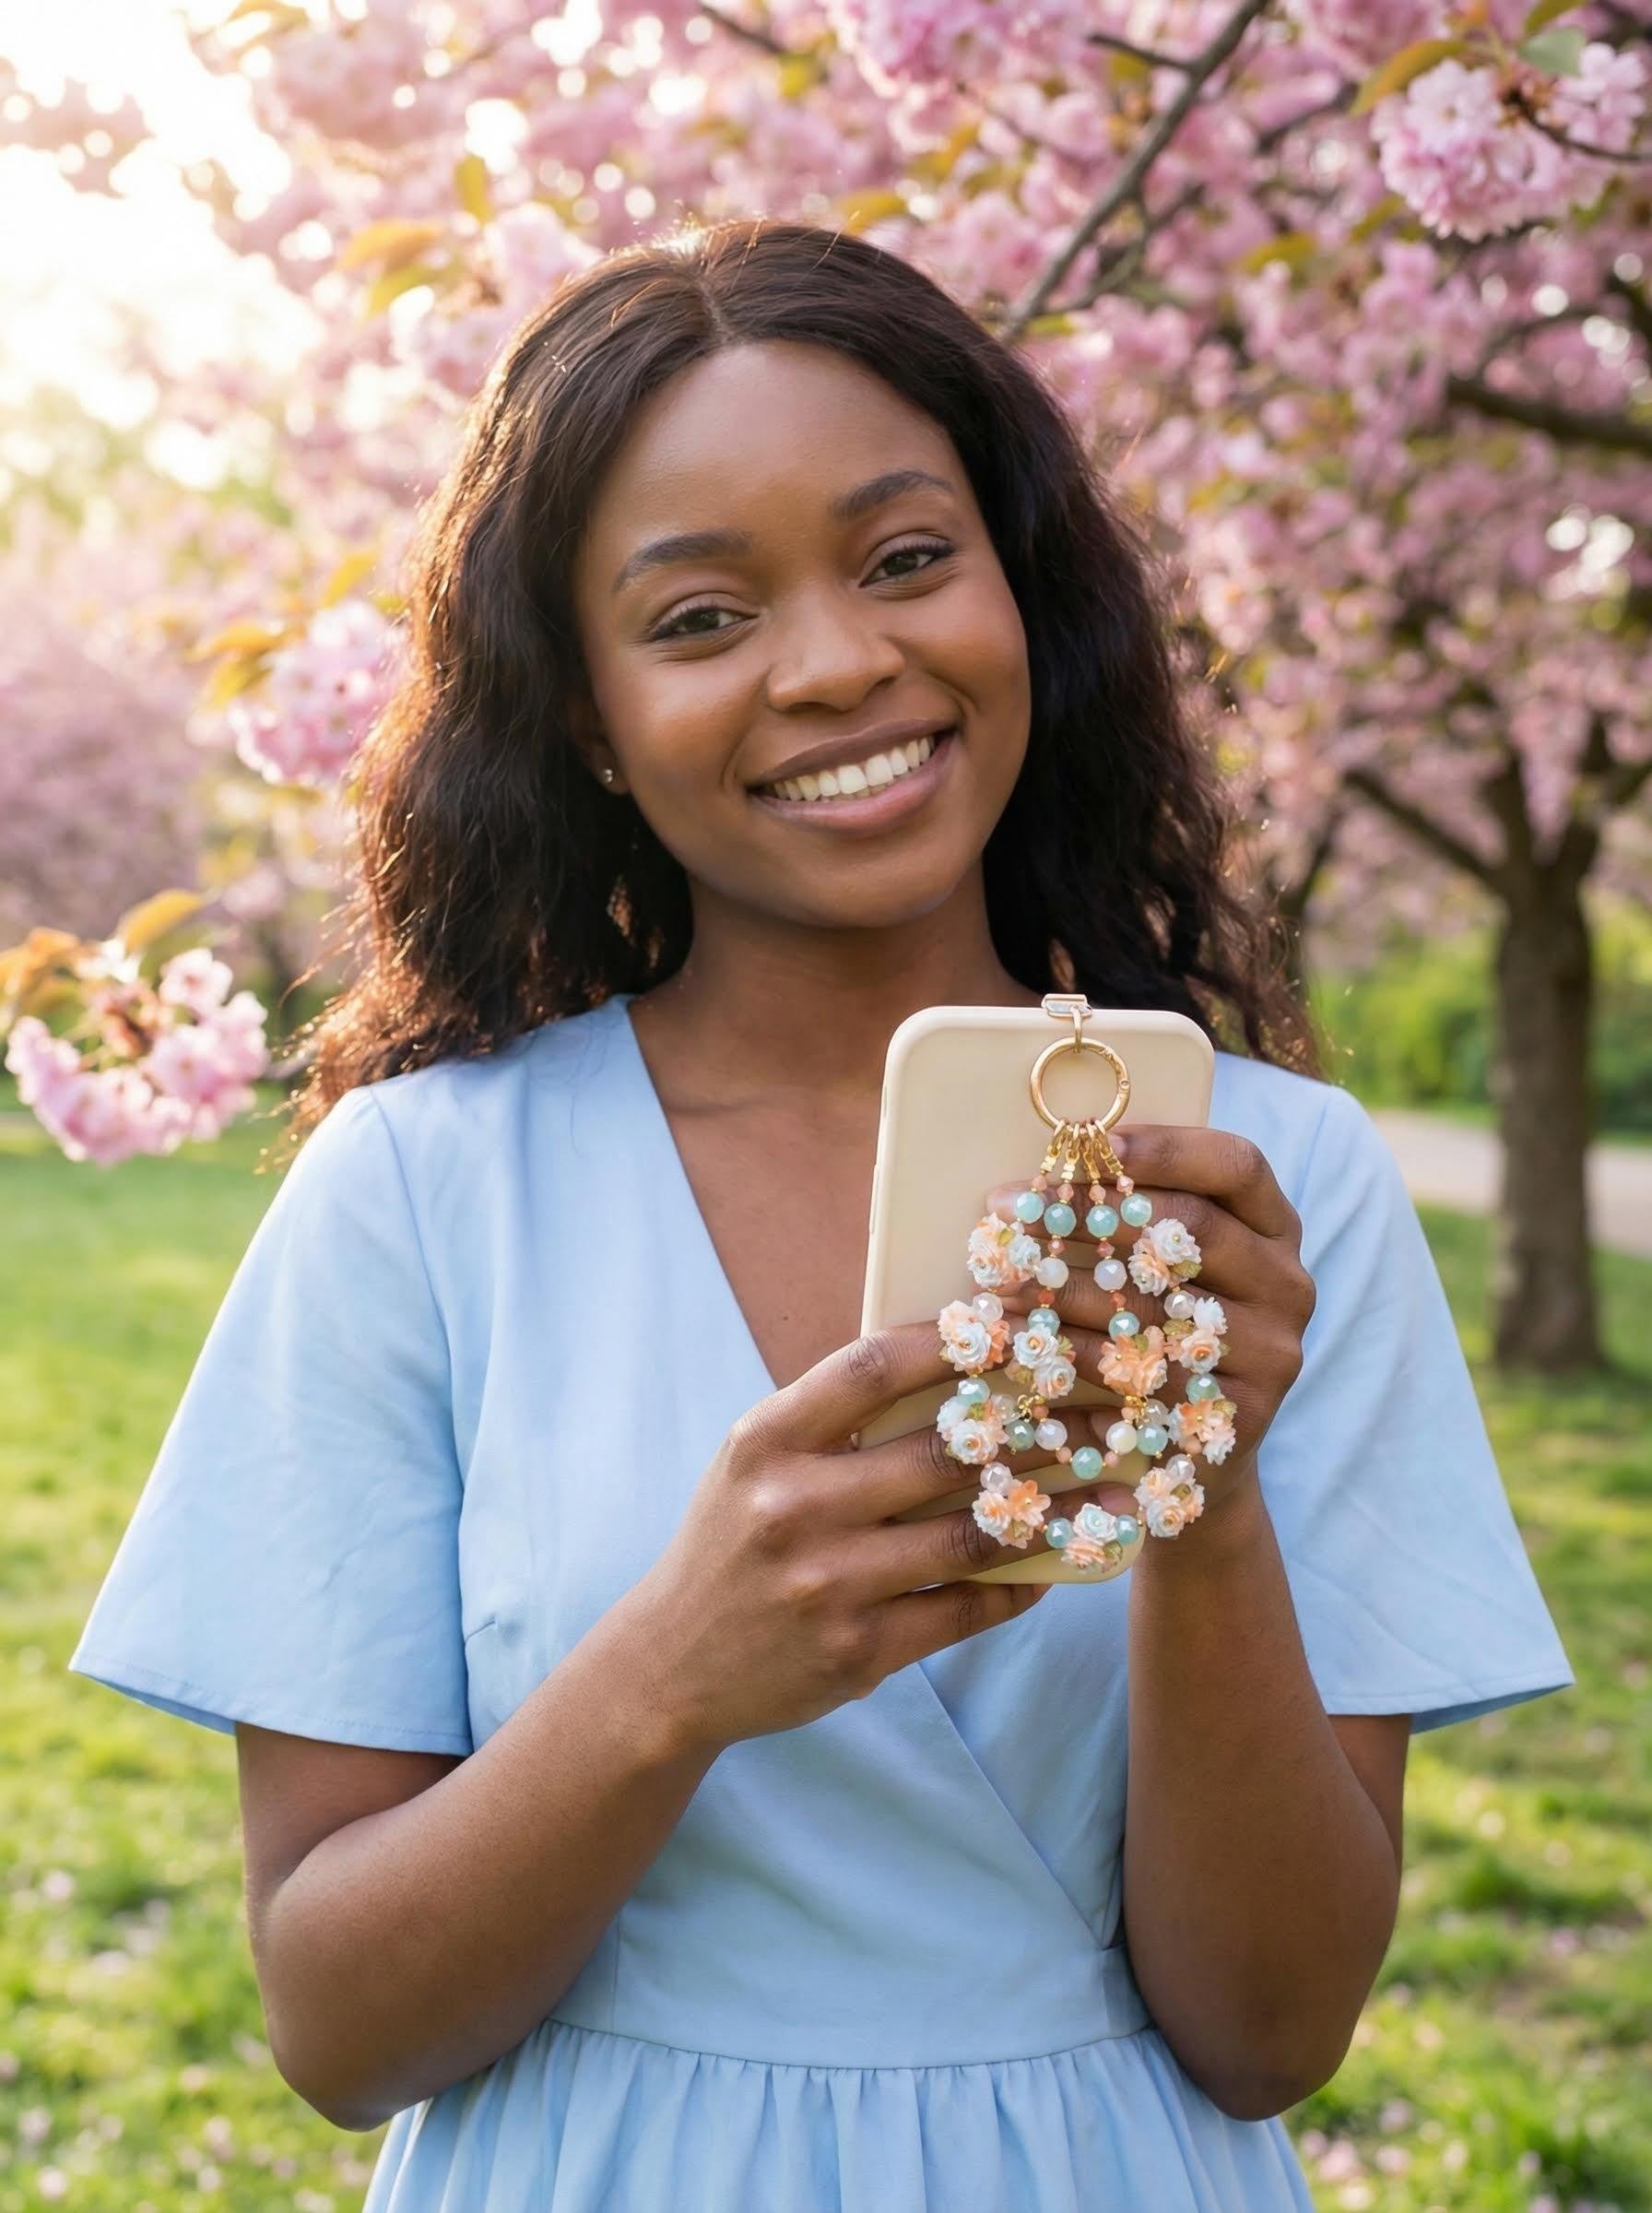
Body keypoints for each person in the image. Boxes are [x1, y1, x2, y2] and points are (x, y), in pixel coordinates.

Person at [69, 217, 1572, 2212]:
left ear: (1017, 593)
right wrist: (674, 1671)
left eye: (903, 558)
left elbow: (1269, 2030)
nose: (839, 661)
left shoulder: (1275, 1195)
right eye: (698, 619)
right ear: (586, 713)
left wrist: (1196, 1506)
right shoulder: (425, 1189)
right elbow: (339, 2036)